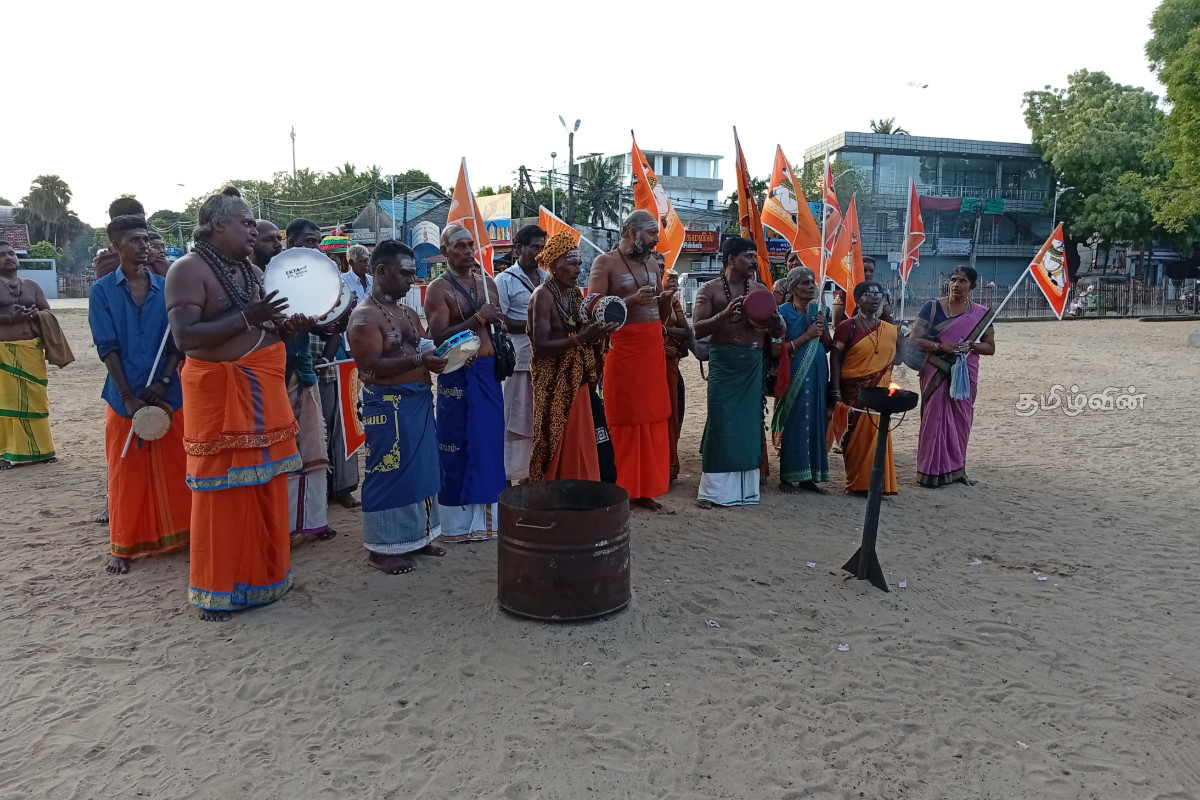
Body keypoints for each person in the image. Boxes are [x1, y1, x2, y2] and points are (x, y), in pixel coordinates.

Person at [165, 187, 297, 621]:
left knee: (265, 488)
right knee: (223, 494)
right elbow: (185, 337)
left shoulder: (251, 270)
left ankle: (265, 581)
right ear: (218, 224)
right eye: (245, 221)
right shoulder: (187, 270)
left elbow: (268, 327)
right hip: (220, 397)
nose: (254, 229)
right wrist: (249, 318)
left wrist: (291, 327)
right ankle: (216, 591)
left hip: (264, 391)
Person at [89, 215, 190, 574]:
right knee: (125, 471)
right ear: (116, 247)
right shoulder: (101, 292)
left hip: (168, 391)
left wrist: (164, 381)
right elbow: (107, 346)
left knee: (177, 465)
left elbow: (179, 339)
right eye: (135, 240)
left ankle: (181, 533)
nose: (144, 246)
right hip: (122, 394)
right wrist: (129, 396)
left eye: (146, 239)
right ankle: (124, 545)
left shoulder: (167, 287)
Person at [347, 240, 449, 573]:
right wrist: (421, 358)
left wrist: (451, 351)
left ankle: (418, 538)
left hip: (417, 402)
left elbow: (422, 344)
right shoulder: (364, 317)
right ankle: (382, 549)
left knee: (423, 470)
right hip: (389, 405)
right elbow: (370, 365)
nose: (411, 279)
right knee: (387, 470)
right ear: (381, 271)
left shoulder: (405, 312)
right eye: (405, 273)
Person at [586, 210, 676, 511]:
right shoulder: (605, 263)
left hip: (652, 348)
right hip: (623, 348)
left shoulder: (652, 263)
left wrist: (665, 299)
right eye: (651, 233)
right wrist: (629, 301)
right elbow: (592, 307)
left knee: (652, 416)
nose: (656, 239)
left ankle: (646, 489)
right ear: (630, 232)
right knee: (624, 417)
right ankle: (621, 488)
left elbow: (661, 317)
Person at [424, 225, 506, 542]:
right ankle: (457, 527)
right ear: (445, 251)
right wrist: (479, 319)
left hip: (486, 373)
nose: (468, 250)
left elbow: (495, 318)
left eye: (470, 244)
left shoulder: (486, 280)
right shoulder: (437, 289)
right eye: (460, 245)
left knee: (488, 442)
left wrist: (493, 317)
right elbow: (437, 335)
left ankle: (487, 523)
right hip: (456, 373)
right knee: (455, 442)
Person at [691, 237, 780, 508]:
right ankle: (712, 493)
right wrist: (724, 315)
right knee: (721, 423)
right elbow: (698, 329)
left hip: (751, 363)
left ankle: (745, 491)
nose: (754, 261)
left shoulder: (760, 289)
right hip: (724, 363)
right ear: (731, 259)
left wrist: (775, 325)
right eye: (749, 256)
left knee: (749, 425)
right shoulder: (710, 290)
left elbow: (771, 329)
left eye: (754, 256)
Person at [527, 232, 618, 482]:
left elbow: (583, 329)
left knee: (581, 436)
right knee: (554, 438)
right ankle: (553, 489)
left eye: (579, 263)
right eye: (571, 263)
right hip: (553, 382)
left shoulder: (575, 294)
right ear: (554, 265)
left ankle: (581, 484)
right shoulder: (542, 296)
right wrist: (580, 338)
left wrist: (599, 333)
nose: (578, 268)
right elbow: (541, 345)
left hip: (578, 378)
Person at [269, 218, 336, 538]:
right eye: (309, 242)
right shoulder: (267, 280)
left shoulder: (315, 282)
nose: (316, 248)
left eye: (318, 242)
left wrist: (335, 319)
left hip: (303, 370)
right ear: (289, 242)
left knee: (310, 447)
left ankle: (310, 523)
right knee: (278, 453)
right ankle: (281, 526)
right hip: (272, 378)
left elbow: (323, 325)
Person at [911, 265, 996, 487]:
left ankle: (957, 471)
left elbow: (990, 347)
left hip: (965, 373)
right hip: (936, 368)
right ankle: (929, 472)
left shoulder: (981, 314)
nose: (956, 284)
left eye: (963, 281)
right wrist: (942, 347)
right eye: (954, 279)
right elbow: (914, 339)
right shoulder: (932, 308)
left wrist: (971, 346)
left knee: (961, 420)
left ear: (972, 286)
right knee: (933, 419)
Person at [829, 281, 900, 495]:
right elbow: (835, 359)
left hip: (879, 392)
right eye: (870, 294)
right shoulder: (847, 327)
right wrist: (836, 391)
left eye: (880, 295)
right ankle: (857, 483)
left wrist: (902, 337)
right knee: (855, 439)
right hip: (853, 392)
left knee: (877, 434)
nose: (876, 298)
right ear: (858, 300)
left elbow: (899, 360)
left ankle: (876, 484)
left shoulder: (888, 329)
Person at [770, 266, 832, 494]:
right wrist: (805, 335)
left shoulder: (819, 310)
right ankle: (787, 475)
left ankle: (809, 477)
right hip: (793, 371)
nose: (811, 286)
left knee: (815, 419)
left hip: (817, 371)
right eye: (806, 283)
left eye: (813, 282)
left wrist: (822, 327)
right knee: (794, 419)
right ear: (794, 287)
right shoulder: (782, 313)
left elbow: (827, 346)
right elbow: (776, 350)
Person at [0, 240, 59, 470]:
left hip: (30, 351)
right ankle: (4, 453)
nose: (8, 257)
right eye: (2, 254)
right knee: (5, 404)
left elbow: (47, 312)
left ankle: (42, 450)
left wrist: (36, 314)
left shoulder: (31, 285)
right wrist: (9, 319)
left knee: (36, 402)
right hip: (4, 353)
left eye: (11, 253)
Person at [496, 224, 546, 484]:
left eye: (542, 247)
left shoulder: (549, 278)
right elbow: (499, 321)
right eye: (534, 247)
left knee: (537, 420)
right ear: (518, 249)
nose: (539, 252)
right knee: (513, 420)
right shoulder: (504, 280)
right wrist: (533, 327)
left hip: (545, 361)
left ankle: (531, 475)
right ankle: (507, 477)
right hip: (517, 361)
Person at [661, 262, 690, 482]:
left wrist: (663, 330)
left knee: (672, 410)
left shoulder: (673, 301)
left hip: (669, 361)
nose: (671, 280)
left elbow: (685, 331)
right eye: (667, 275)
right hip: (645, 362)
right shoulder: (644, 299)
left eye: (674, 277)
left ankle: (668, 465)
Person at [831, 256, 894, 329]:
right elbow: (835, 324)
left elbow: (889, 319)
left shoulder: (880, 293)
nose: (868, 274)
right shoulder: (845, 293)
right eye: (864, 270)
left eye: (871, 271)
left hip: (875, 335)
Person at [94, 197, 150, 279]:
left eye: (142, 221)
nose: (139, 225)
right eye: (132, 222)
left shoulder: (154, 256)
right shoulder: (104, 264)